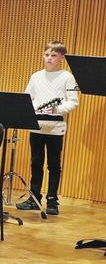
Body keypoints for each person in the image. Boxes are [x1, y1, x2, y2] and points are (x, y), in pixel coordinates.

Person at [16, 41, 79, 216]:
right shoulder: (36, 76)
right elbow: (26, 97)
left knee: (54, 164)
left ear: (61, 58)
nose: (49, 58)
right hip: (36, 125)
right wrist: (31, 107)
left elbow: (74, 102)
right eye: (47, 55)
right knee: (36, 163)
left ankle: (52, 200)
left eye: (53, 55)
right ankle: (34, 198)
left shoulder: (68, 77)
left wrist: (57, 109)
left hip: (55, 127)